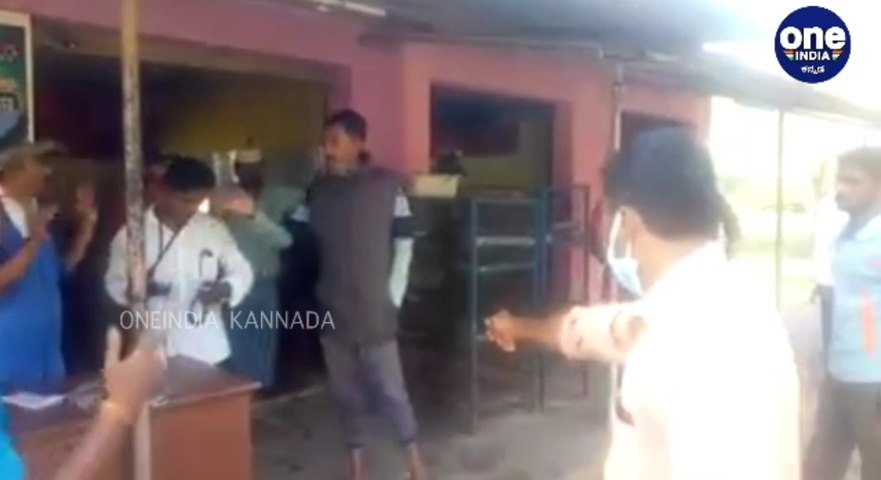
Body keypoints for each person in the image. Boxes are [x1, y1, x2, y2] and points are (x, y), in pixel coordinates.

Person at [486, 128, 800, 480]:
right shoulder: (694, 304)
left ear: (628, 222)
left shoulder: (703, 347)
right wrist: (519, 328)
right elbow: (589, 330)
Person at [291, 109, 428, 480]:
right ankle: (357, 466)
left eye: (335, 141)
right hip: (332, 307)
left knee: (392, 392)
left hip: (374, 309)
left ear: (359, 143)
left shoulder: (387, 186)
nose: (328, 149)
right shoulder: (318, 190)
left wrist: (392, 297)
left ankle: (416, 464)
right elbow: (295, 235)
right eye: (325, 142)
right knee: (345, 393)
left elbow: (405, 243)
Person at [105, 157, 254, 366]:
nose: (192, 208)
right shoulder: (132, 234)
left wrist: (226, 288)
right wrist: (137, 290)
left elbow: (242, 269)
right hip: (154, 349)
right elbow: (114, 283)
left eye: (199, 201)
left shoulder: (212, 229)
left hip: (208, 348)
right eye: (186, 200)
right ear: (163, 192)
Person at [804, 147, 881, 480]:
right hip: (838, 375)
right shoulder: (844, 234)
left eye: (853, 181)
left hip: (874, 381)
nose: (841, 188)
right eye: (840, 179)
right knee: (819, 468)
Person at [0, 140, 98, 391]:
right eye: (38, 163)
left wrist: (87, 226)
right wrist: (35, 239)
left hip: (47, 353)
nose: (47, 171)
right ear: (12, 170)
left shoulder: (37, 216)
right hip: (9, 353)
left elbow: (59, 273)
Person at [212, 184, 291, 387]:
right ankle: (242, 390)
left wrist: (254, 215)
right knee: (240, 342)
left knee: (265, 339)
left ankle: (261, 387)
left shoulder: (257, 221)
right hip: (238, 289)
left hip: (265, 285)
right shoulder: (216, 227)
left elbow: (285, 240)